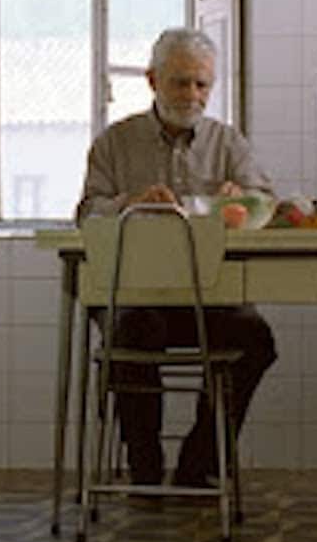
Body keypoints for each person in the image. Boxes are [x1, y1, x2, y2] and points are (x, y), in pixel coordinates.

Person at [75, 27, 277, 487]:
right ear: (152, 80)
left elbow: (266, 203)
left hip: (209, 296)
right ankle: (144, 464)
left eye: (202, 84)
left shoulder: (228, 143)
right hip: (133, 296)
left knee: (256, 340)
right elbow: (86, 213)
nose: (192, 95)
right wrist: (129, 202)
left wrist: (243, 202)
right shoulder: (114, 142)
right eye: (180, 82)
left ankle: (199, 461)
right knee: (134, 333)